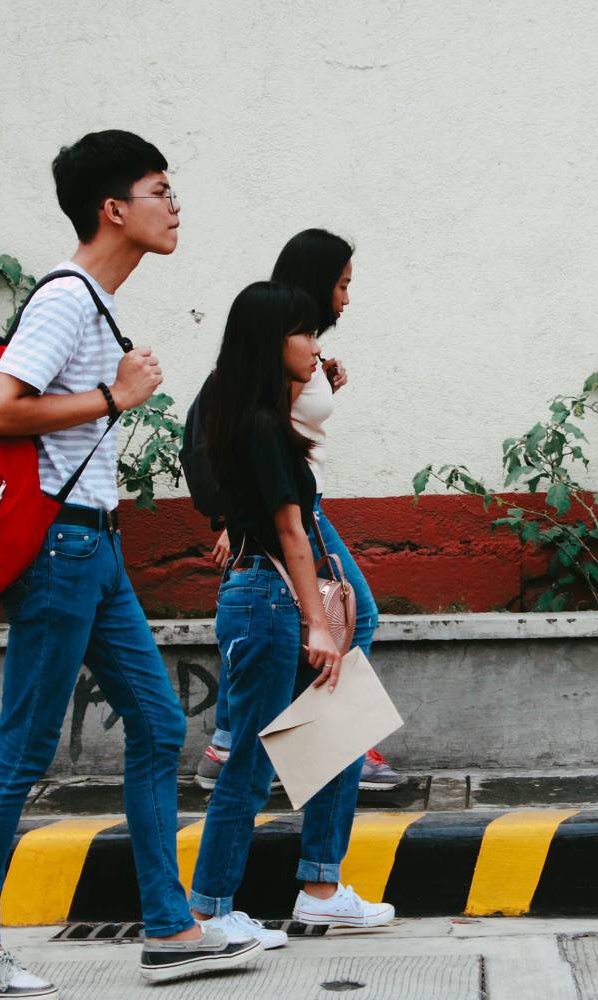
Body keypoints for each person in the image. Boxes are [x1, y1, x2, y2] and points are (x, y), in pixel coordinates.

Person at [0, 130, 261, 999]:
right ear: (114, 209)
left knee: (156, 724)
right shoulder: (66, 300)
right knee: (23, 745)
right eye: (160, 190)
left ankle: (170, 930)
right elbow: (1, 411)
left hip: (94, 544)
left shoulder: (93, 302)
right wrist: (115, 395)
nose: (174, 205)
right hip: (59, 547)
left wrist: (108, 397)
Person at [189, 281, 395, 942]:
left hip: (269, 600)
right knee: (249, 767)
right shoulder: (260, 427)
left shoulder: (254, 416)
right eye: (302, 333)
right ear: (268, 343)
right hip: (269, 602)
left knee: (338, 728)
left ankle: (320, 887)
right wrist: (317, 622)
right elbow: (292, 533)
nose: (315, 344)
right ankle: (209, 911)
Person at [195, 228, 403, 794]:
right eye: (342, 284)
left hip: (303, 504)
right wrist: (233, 521)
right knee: (355, 616)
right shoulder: (272, 347)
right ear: (317, 281)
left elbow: (287, 427)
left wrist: (326, 383)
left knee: (326, 620)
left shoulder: (301, 352)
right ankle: (323, 747)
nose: (347, 298)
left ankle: (239, 741)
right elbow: (241, 429)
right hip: (292, 512)